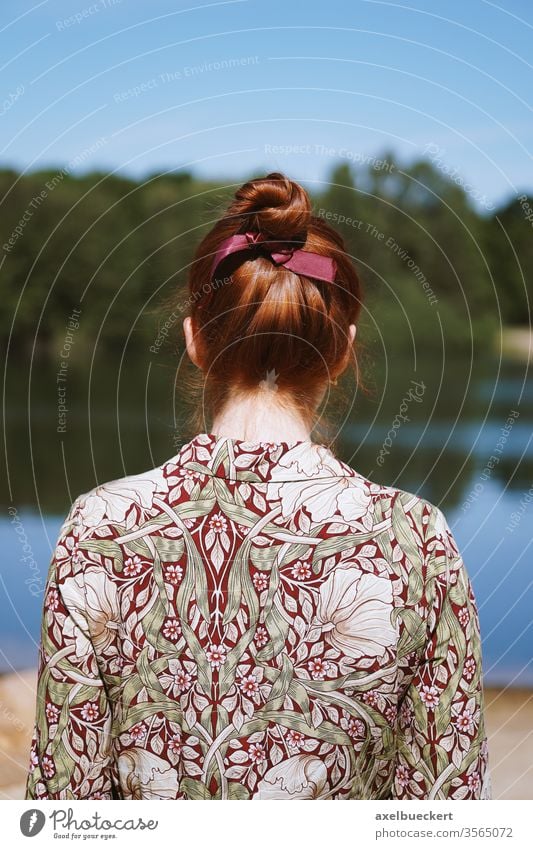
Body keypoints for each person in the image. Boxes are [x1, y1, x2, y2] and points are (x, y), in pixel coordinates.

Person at [25, 172, 491, 800]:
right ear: (343, 351)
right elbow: (446, 807)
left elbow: (65, 808)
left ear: (194, 340)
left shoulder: (100, 527)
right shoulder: (414, 539)